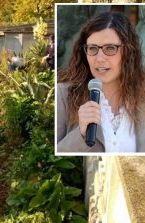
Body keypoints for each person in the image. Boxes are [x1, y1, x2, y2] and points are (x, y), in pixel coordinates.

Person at [57, 11, 145, 153]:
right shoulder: (63, 95)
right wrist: (81, 134)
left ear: (129, 51)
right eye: (92, 48)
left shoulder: (142, 95)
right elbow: (49, 161)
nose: (99, 58)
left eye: (110, 48)